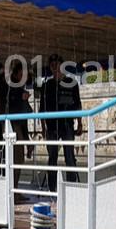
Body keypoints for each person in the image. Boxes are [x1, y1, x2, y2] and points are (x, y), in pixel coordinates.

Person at [38, 54, 81, 193]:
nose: (54, 67)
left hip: (67, 125)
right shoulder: (46, 85)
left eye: (57, 64)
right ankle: (52, 188)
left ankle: (72, 187)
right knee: (52, 158)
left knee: (70, 157)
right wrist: (43, 127)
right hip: (51, 127)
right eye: (52, 65)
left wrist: (80, 123)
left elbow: (78, 104)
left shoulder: (72, 83)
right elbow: (42, 108)